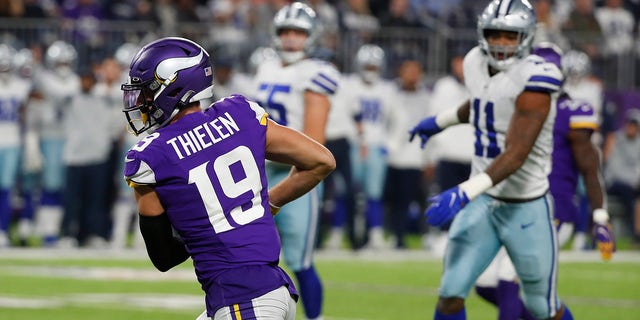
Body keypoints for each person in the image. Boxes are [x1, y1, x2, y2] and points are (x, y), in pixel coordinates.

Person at [121, 37, 335, 320]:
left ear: (172, 87)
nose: (141, 101)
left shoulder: (151, 156)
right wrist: (269, 203)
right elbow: (321, 160)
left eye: (147, 92)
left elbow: (163, 257)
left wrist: (200, 227)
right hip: (272, 290)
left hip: (241, 297)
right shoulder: (240, 115)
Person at [409, 1, 573, 319]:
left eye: (509, 36)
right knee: (450, 294)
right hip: (484, 202)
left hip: (525, 205)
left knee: (542, 307)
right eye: (494, 34)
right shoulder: (474, 61)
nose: (500, 42)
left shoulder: (537, 77)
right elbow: (486, 100)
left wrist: (464, 191)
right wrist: (440, 120)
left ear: (526, 37)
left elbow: (516, 153)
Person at [472, 42, 614, 320]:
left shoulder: (572, 110)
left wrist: (599, 215)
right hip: (513, 206)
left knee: (507, 279)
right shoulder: (512, 106)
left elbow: (589, 167)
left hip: (552, 210)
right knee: (486, 283)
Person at [251, 3, 340, 319]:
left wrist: (296, 180)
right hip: (259, 174)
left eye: (298, 32)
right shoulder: (265, 67)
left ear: (312, 36)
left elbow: (314, 139)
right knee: (250, 255)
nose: (291, 39)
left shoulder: (318, 72)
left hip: (296, 175)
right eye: (286, 32)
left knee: (300, 261)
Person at [0, 44, 31, 247]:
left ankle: (3, 229)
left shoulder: (22, 85)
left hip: (12, 142)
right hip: (9, 141)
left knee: (6, 189)